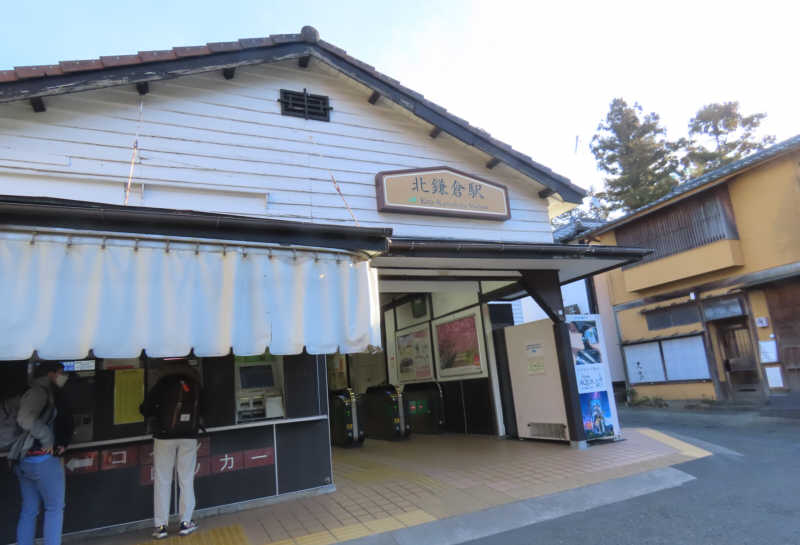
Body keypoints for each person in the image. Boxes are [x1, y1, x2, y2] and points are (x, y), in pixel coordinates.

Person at [139, 361, 207, 539]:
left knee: (163, 479)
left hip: (164, 437)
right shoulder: (195, 384)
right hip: (189, 436)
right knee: (186, 479)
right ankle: (186, 522)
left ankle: (161, 526)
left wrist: (158, 416)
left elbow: (145, 409)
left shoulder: (162, 384)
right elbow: (206, 409)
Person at [11, 361, 73, 545]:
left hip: (25, 460)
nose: (62, 377)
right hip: (43, 460)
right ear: (51, 374)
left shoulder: (30, 390)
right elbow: (24, 418)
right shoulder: (40, 392)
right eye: (60, 373)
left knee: (29, 510)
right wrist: (48, 439)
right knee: (54, 508)